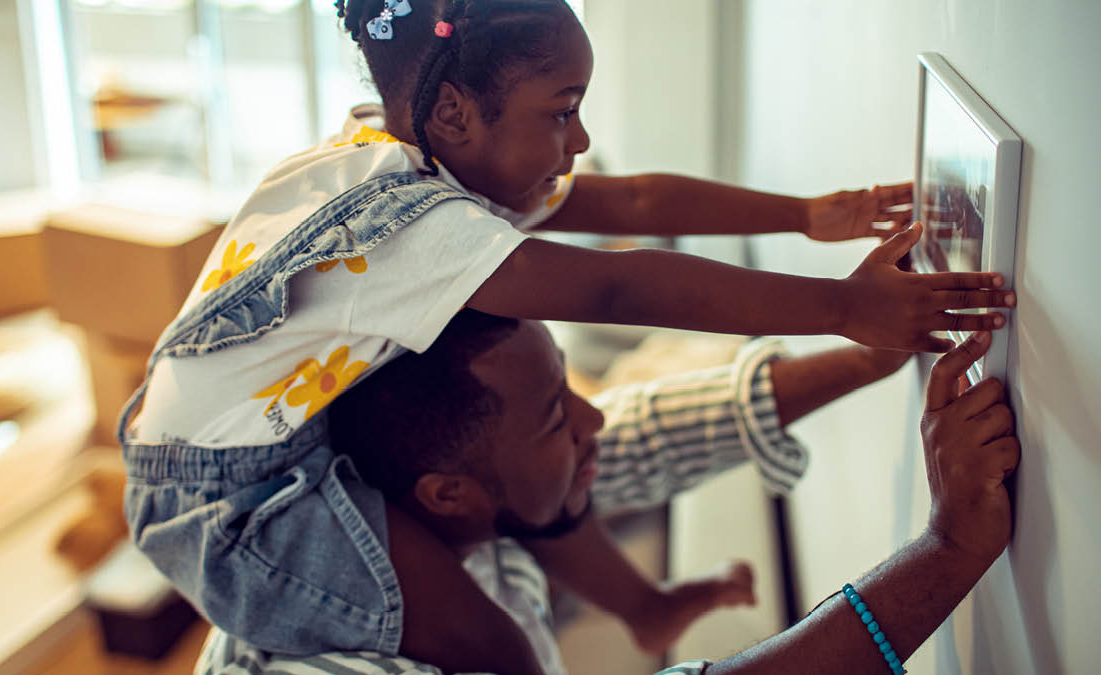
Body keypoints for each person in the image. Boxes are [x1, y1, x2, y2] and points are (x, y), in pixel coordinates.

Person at [119, 1, 1016, 673]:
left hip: (250, 438)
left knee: (528, 478)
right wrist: (841, 306)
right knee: (489, 641)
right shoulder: (411, 229)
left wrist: (809, 215)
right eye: (562, 110)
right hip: (227, 503)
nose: (581, 138)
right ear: (457, 112)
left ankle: (646, 606)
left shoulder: (417, 155)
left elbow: (634, 206)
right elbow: (619, 279)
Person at [194, 312, 1018, 674]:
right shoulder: (330, 656)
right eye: (558, 416)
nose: (596, 417)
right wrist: (949, 548)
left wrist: (866, 357)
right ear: (448, 494)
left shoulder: (427, 497)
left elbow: (640, 435)